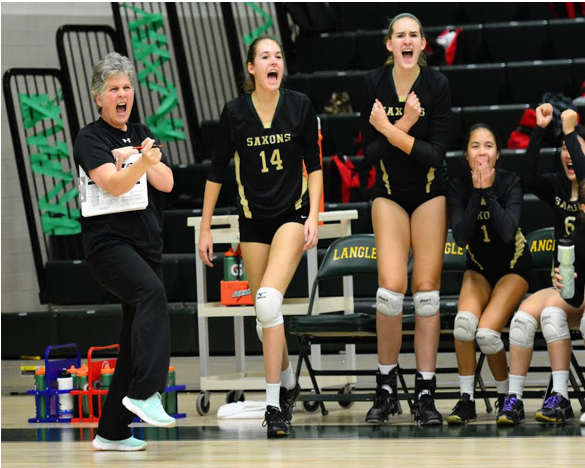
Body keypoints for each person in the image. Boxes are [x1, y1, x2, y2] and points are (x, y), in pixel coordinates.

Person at [198, 37, 322, 438]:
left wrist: (314, 216)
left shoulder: (300, 105)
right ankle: (288, 384)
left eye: (279, 56)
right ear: (251, 69)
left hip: (290, 215)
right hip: (251, 222)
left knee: (269, 301)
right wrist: (204, 226)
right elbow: (216, 171)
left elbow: (315, 166)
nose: (274, 61)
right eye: (265, 56)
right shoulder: (234, 113)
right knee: (263, 316)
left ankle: (273, 407)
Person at [74, 52, 175, 452]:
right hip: (109, 246)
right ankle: (146, 393)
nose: (122, 94)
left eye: (127, 87)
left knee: (135, 335)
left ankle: (112, 430)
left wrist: (140, 158)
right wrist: (138, 160)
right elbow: (113, 185)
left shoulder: (141, 130)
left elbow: (165, 182)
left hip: (145, 244)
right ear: (98, 97)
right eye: (114, 88)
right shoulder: (90, 138)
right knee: (152, 295)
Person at [360, 13, 452, 426]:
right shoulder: (373, 85)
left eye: (414, 34)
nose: (408, 40)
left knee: (427, 292)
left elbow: (435, 155)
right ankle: (384, 388)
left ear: (422, 44)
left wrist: (393, 128)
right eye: (401, 35)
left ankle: (425, 393)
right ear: (389, 44)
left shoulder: (436, 86)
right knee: (390, 291)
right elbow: (370, 156)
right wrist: (408, 124)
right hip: (389, 194)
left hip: (430, 191)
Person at [499, 107, 585, 425]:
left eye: (574, 145)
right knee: (524, 318)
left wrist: (569, 130)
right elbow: (528, 177)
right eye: (563, 147)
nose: (568, 153)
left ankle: (560, 396)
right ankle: (518, 399)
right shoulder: (560, 187)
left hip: (580, 286)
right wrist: (539, 130)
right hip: (567, 287)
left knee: (552, 311)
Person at [446, 124, 531, 424]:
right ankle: (466, 400)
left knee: (486, 333)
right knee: (464, 326)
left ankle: (506, 397)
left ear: (497, 154)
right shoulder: (457, 185)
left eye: (488, 146)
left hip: (513, 268)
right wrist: (475, 194)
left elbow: (508, 233)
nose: (482, 152)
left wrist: (488, 192)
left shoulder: (511, 182)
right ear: (466, 155)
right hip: (479, 270)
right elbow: (460, 236)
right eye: (475, 146)